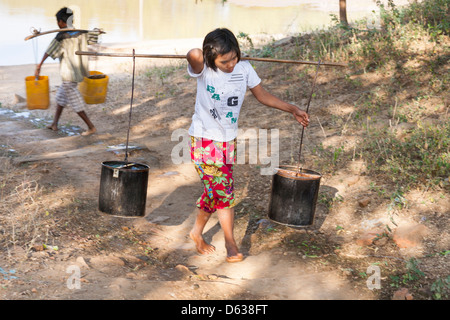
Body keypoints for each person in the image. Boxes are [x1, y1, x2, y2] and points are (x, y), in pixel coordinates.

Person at [186, 28, 310, 263]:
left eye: (234, 57)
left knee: (215, 191)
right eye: (225, 61)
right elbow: (193, 54)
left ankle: (196, 233)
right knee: (223, 191)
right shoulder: (204, 71)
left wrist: (293, 108)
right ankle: (231, 243)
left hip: (227, 141)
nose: (231, 64)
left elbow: (262, 96)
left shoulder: (244, 70)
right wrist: (206, 55)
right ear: (212, 58)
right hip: (203, 141)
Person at [35, 7, 101, 136]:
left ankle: (91, 127)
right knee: (60, 97)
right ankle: (54, 124)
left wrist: (39, 66)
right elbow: (93, 36)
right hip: (78, 71)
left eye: (57, 21)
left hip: (69, 74)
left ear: (60, 22)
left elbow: (49, 51)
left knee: (75, 101)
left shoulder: (61, 36)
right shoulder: (81, 33)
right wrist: (97, 32)